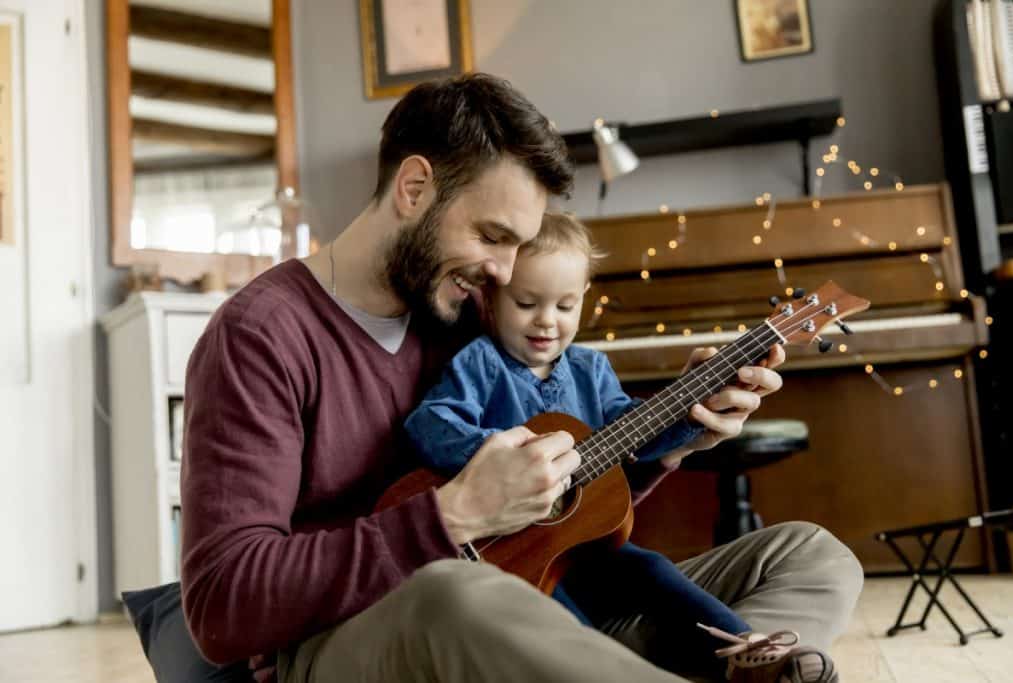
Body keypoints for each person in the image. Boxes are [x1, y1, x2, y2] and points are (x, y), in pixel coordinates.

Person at [181, 73, 863, 683]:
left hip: (535, 593)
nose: (507, 274)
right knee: (455, 595)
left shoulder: (469, 309)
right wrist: (453, 516)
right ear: (413, 189)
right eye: (492, 235)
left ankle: (720, 666)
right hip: (365, 632)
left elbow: (560, 503)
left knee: (811, 554)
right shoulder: (260, 335)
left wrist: (675, 436)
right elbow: (220, 604)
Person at [403, 211, 794, 679]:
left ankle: (749, 654)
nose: (547, 321)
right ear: (491, 296)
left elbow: (635, 435)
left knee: (650, 569)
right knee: (565, 631)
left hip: (584, 547)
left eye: (565, 306)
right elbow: (429, 423)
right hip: (507, 556)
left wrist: (692, 412)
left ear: (585, 296)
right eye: (527, 303)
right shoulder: (481, 363)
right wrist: (504, 453)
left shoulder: (590, 370)